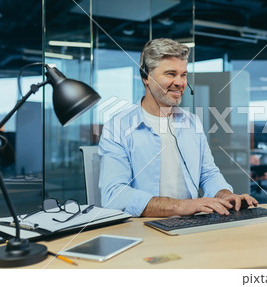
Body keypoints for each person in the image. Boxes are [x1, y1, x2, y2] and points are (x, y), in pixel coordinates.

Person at [98, 38, 258, 217]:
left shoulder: (192, 122)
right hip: (144, 230)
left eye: (183, 75)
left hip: (190, 226)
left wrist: (225, 195)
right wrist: (181, 206)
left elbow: (208, 174)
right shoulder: (118, 127)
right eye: (170, 74)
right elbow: (114, 195)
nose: (180, 83)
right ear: (146, 77)